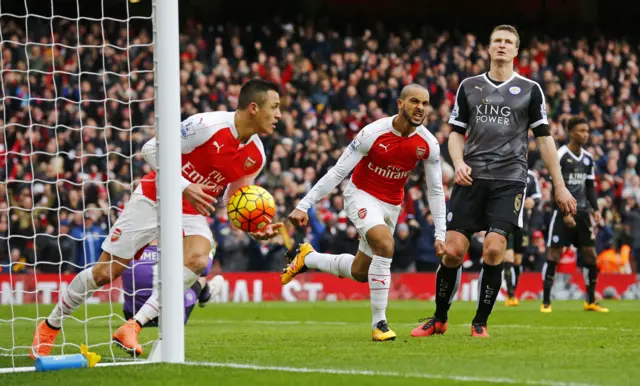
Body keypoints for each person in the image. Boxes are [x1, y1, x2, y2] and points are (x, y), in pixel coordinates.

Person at [31, 78, 284, 359]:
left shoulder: (256, 155)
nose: (279, 115)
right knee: (106, 272)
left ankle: (133, 326)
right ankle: (49, 326)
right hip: (156, 196)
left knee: (199, 259)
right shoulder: (207, 125)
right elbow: (151, 149)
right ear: (253, 107)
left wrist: (253, 227)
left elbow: (233, 202)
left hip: (191, 210)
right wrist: (185, 186)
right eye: (274, 107)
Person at [411, 24, 576, 338]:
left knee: (494, 249)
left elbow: (544, 139)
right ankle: (439, 318)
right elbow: (455, 134)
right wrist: (458, 163)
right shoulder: (469, 86)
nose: (502, 46)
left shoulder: (530, 89)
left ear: (516, 50)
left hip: (509, 180)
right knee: (453, 252)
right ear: (489, 48)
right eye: (497, 41)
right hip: (471, 178)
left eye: (508, 42)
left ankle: (480, 323)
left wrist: (559, 184)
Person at [285, 84, 446, 342]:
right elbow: (338, 172)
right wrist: (304, 204)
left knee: (361, 271)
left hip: (391, 205)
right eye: (415, 101)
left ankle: (308, 259)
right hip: (361, 195)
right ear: (401, 104)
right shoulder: (372, 133)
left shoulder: (428, 143)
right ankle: (379, 324)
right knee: (385, 244)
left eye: (425, 104)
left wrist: (441, 233)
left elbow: (436, 190)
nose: (421, 108)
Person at [541, 116, 608, 313]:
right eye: (581, 131)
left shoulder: (587, 158)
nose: (585, 134)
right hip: (562, 211)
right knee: (554, 253)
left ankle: (590, 300)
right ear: (571, 132)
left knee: (590, 254)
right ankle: (546, 301)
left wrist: (595, 210)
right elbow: (555, 184)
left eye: (587, 131)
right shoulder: (560, 154)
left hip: (583, 212)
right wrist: (563, 213)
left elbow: (590, 186)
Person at [121, 242, 225, 326]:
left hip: (132, 315)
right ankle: (205, 294)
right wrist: (210, 250)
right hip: (171, 319)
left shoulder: (130, 249)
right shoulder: (175, 249)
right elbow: (204, 269)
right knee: (195, 276)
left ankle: (205, 294)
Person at [504, 170, 541, 306]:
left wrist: (533, 201)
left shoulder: (531, 176)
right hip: (507, 221)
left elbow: (538, 196)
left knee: (518, 260)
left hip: (523, 224)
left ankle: (513, 291)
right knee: (508, 258)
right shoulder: (505, 171)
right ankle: (510, 295)